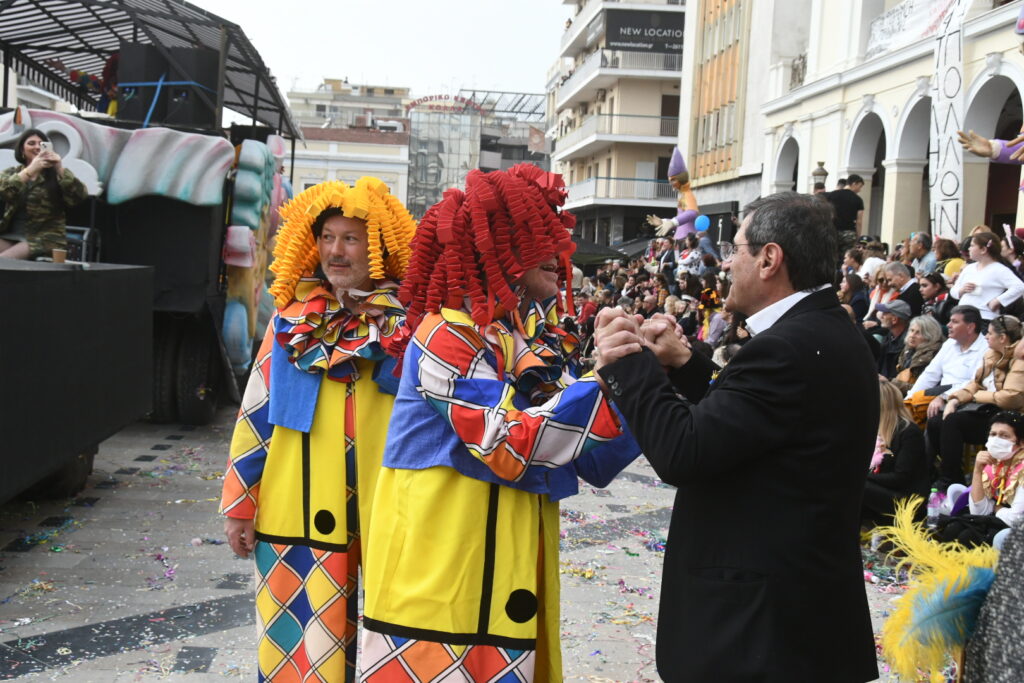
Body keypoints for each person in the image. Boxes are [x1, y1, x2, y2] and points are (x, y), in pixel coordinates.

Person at [359, 165, 640, 681]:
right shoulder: (444, 336)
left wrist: (646, 376)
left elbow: (589, 455)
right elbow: (508, 444)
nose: (564, 249)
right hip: (439, 581)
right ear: (504, 243)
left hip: (503, 579)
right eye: (545, 230)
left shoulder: (516, 341)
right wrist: (609, 378)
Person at [592, 192, 878, 682]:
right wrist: (685, 366)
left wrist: (628, 364)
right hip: (794, 616)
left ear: (769, 259)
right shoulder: (819, 330)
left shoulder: (787, 347)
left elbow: (684, 452)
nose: (725, 262)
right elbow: (757, 422)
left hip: (760, 633)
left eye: (737, 249)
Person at [219, 178, 417, 682]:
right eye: (328, 236)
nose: (336, 250)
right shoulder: (290, 321)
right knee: (303, 652)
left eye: (351, 238)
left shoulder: (411, 326)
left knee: (389, 645)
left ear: (378, 248)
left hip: (388, 514)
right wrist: (241, 504)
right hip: (298, 514)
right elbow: (256, 416)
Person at [927, 314, 1024, 489]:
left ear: (1002, 338)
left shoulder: (1019, 361)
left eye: (990, 333)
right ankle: (953, 475)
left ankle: (948, 479)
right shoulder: (991, 354)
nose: (986, 336)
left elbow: (1009, 398)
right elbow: (975, 384)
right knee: (935, 421)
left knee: (953, 422)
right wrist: (954, 399)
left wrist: (975, 396)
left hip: (1007, 416)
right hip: (985, 409)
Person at [0, 128, 88, 260]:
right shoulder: (11, 173)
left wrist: (59, 168)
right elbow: (5, 192)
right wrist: (31, 169)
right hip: (12, 235)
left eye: (41, 144)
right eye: (31, 143)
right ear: (22, 150)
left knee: (3, 261)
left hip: (45, 239)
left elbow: (79, 197)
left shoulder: (56, 176)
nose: (37, 147)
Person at [905, 305, 988, 427]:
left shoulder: (985, 349)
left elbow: (975, 382)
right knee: (903, 408)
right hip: (941, 394)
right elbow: (930, 374)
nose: (948, 325)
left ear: (970, 327)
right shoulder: (949, 344)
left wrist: (945, 397)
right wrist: (909, 398)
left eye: (954, 322)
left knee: (932, 419)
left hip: (966, 399)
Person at [863, 379, 928, 526]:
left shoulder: (909, 432)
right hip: (884, 491)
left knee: (858, 486)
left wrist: (863, 477)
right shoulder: (875, 430)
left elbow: (900, 478)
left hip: (907, 499)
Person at [950, 231, 1024, 327]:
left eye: (972, 246)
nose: (969, 249)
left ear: (983, 250)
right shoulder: (969, 268)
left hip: (983, 317)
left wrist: (999, 300)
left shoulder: (999, 269)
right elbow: (953, 291)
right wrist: (961, 290)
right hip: (961, 314)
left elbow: (1019, 286)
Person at [890, 315, 944, 395]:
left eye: (918, 333)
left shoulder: (933, 356)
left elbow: (922, 389)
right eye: (912, 330)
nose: (912, 335)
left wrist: (891, 383)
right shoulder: (908, 349)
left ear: (929, 335)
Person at [824, 173, 865, 253]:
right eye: (859, 186)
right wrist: (858, 237)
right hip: (849, 233)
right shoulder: (858, 200)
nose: (860, 190)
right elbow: (859, 221)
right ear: (854, 184)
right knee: (846, 257)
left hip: (833, 232)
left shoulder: (832, 195)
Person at [876, 300, 911, 379]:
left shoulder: (909, 344)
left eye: (885, 313)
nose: (881, 316)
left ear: (894, 319)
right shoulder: (889, 338)